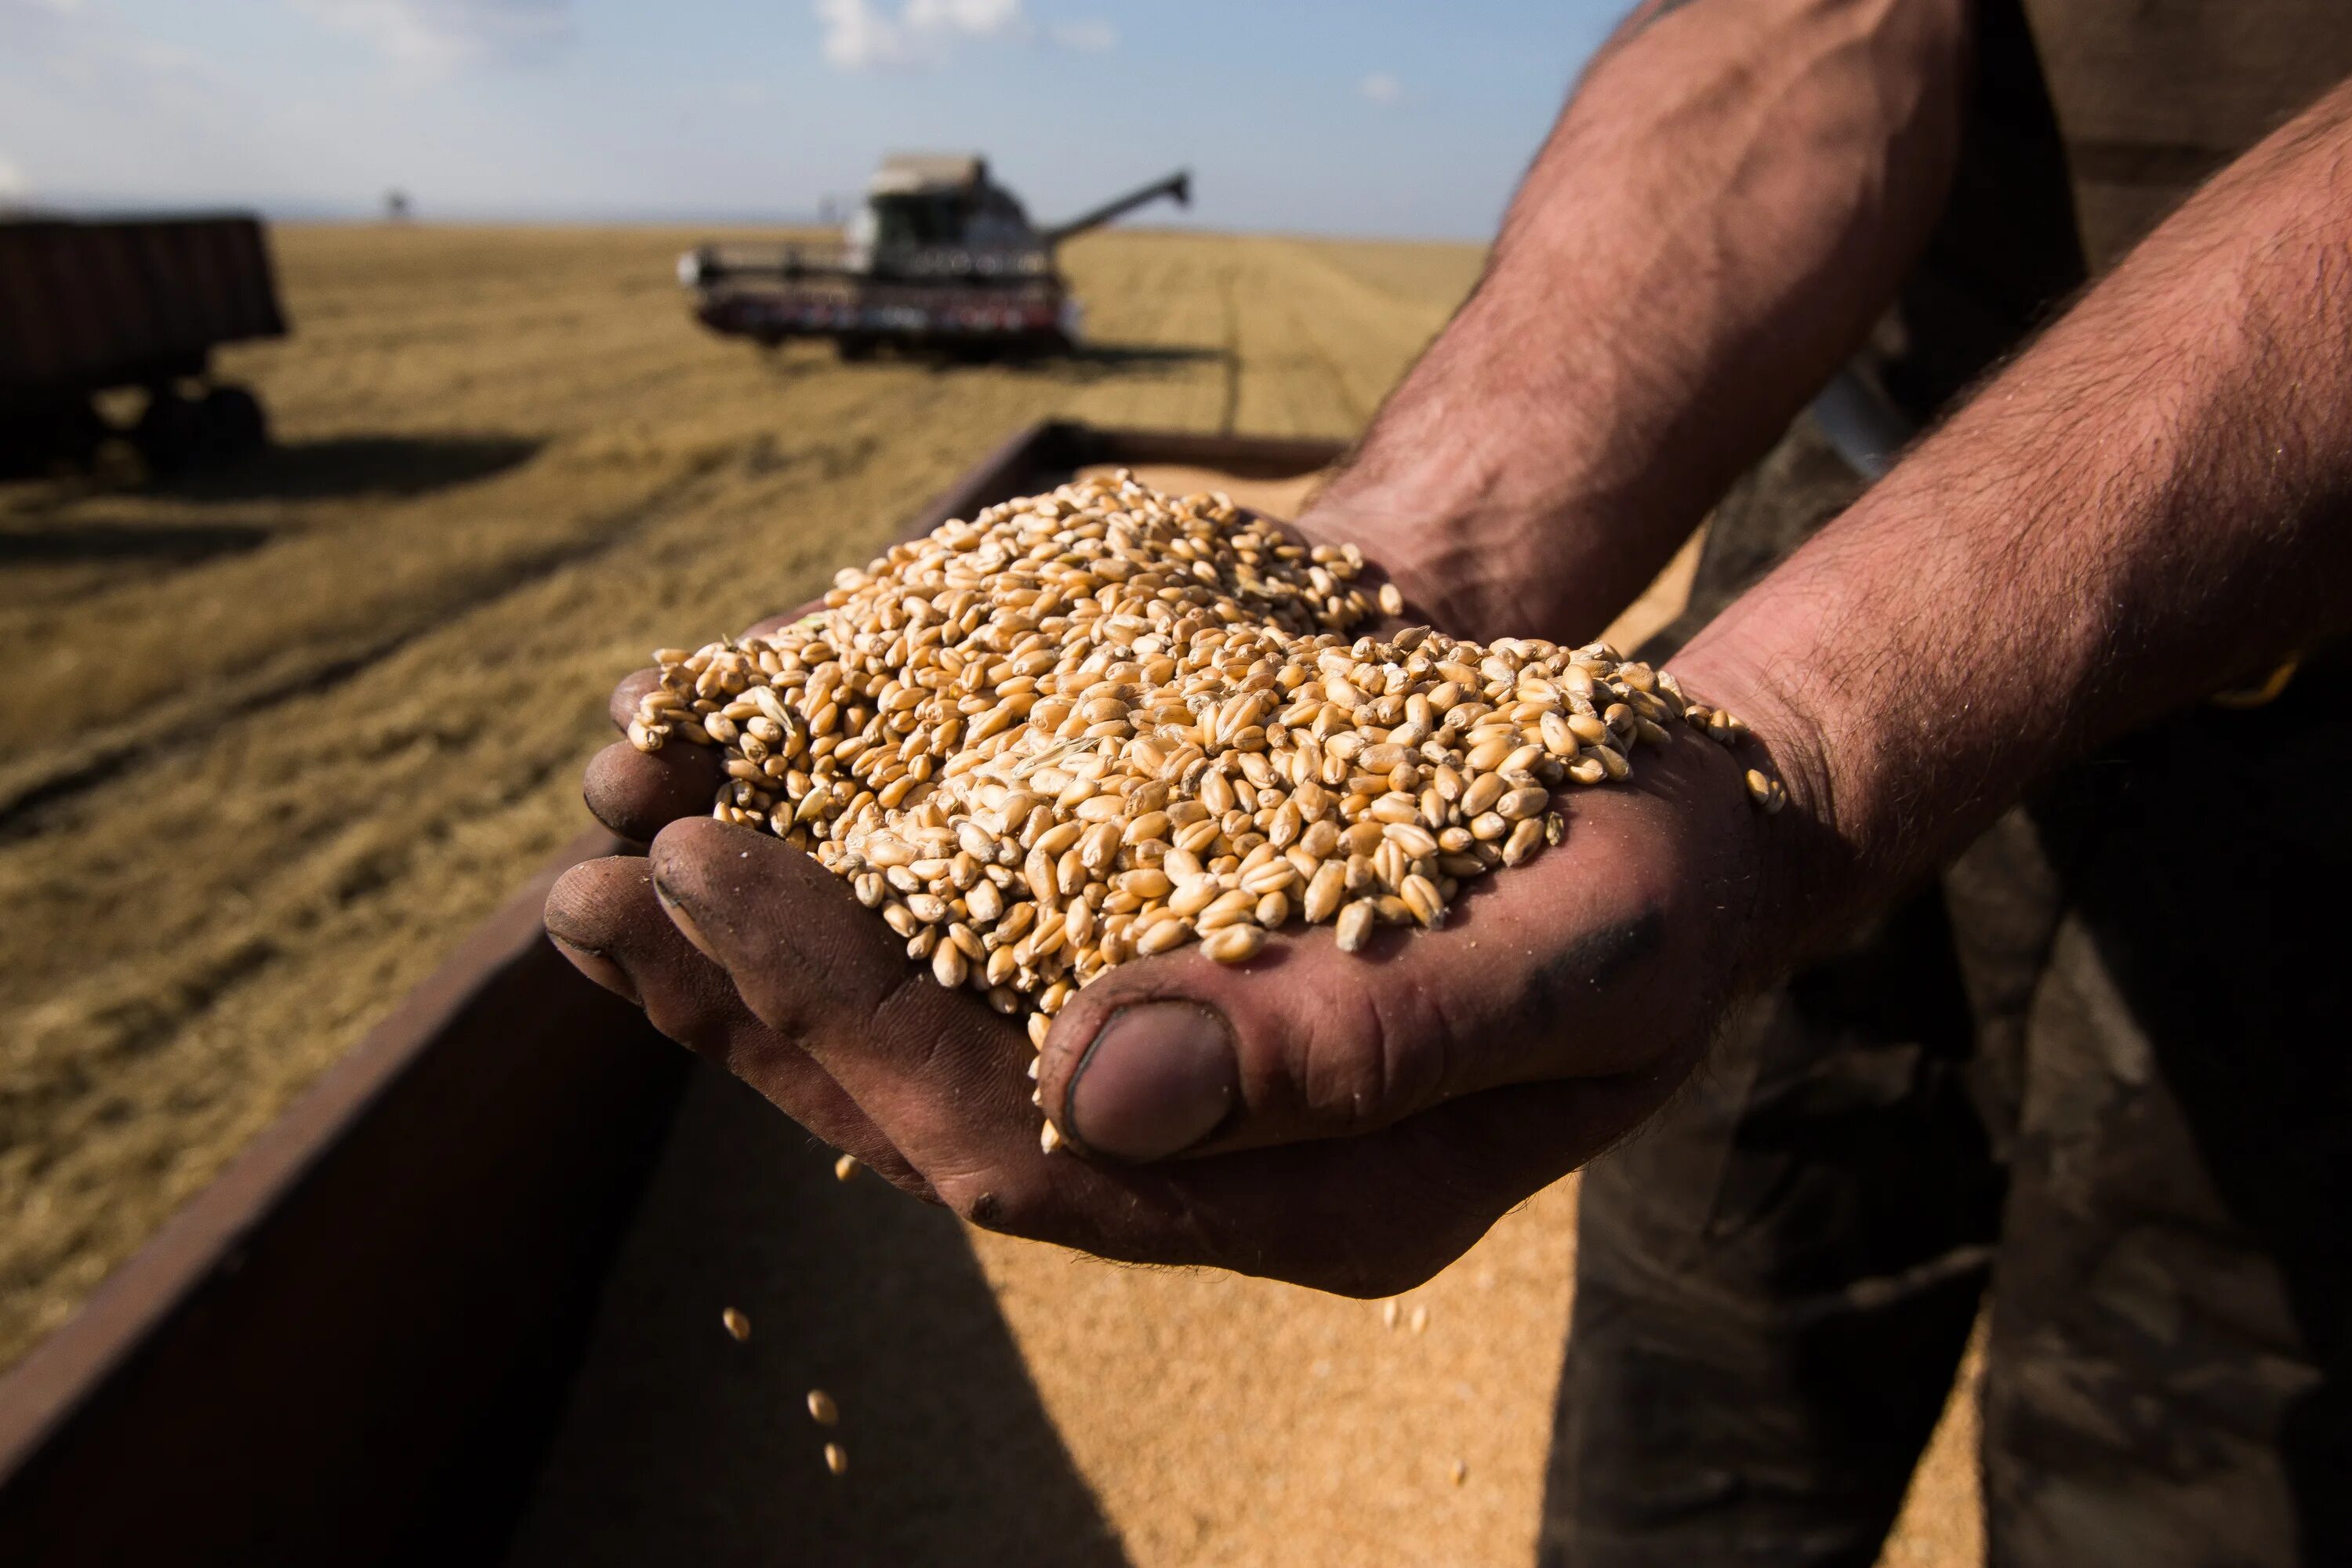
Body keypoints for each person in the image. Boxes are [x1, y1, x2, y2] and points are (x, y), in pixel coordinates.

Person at [545, 1, 2352, 1560]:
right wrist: (1411, 548)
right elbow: (1806, 26)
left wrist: (1809, 728)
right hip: (1890, 471)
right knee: (1707, 1319)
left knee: (2210, 1409)